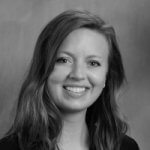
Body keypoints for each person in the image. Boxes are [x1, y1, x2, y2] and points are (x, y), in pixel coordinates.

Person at [0, 9, 139, 150]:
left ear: (107, 77)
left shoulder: (126, 147)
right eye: (64, 60)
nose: (78, 75)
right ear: (43, 69)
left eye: (93, 63)